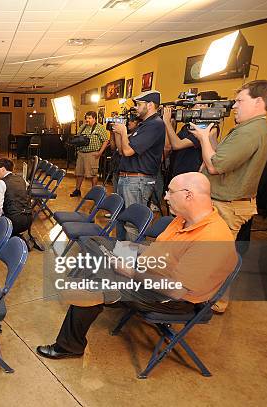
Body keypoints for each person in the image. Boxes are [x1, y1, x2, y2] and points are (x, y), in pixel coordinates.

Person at [36, 172, 237, 359]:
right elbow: (160, 250)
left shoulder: (213, 238)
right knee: (93, 242)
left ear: (188, 196)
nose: (165, 197)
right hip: (148, 269)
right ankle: (97, 288)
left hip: (169, 297)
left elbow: (176, 291)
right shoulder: (183, 219)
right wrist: (129, 247)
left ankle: (70, 345)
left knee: (92, 282)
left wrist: (130, 272)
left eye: (170, 192)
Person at [189, 80, 267, 237]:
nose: (234, 106)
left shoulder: (249, 132)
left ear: (258, 102)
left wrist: (203, 139)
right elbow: (222, 156)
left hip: (226, 207)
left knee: (212, 257)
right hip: (225, 204)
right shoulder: (248, 128)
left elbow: (214, 166)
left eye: (240, 101)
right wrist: (209, 137)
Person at [111, 91, 166, 241]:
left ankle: (133, 260)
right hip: (128, 179)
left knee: (133, 223)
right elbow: (122, 150)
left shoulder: (155, 125)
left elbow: (128, 151)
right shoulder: (144, 125)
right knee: (120, 219)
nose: (136, 107)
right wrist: (118, 132)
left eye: (139, 104)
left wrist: (123, 132)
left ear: (150, 105)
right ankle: (121, 255)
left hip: (138, 181)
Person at [163, 91, 221, 178]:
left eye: (196, 103)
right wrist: (172, 122)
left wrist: (167, 122)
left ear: (206, 106)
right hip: (177, 170)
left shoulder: (207, 127)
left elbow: (177, 145)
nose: (192, 106)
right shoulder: (190, 125)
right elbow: (171, 144)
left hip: (190, 173)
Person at [70, 111, 109, 197]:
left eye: (89, 118)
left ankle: (94, 192)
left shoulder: (100, 128)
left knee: (93, 173)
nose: (87, 120)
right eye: (86, 118)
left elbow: (106, 140)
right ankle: (77, 190)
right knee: (79, 173)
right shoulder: (83, 127)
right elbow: (77, 137)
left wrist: (100, 152)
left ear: (94, 118)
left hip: (92, 154)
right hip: (81, 153)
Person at [0, 157, 32, 236]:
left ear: (3, 169)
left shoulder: (1, 183)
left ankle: (10, 233)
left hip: (14, 222)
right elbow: (26, 187)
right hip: (28, 220)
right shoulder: (21, 179)